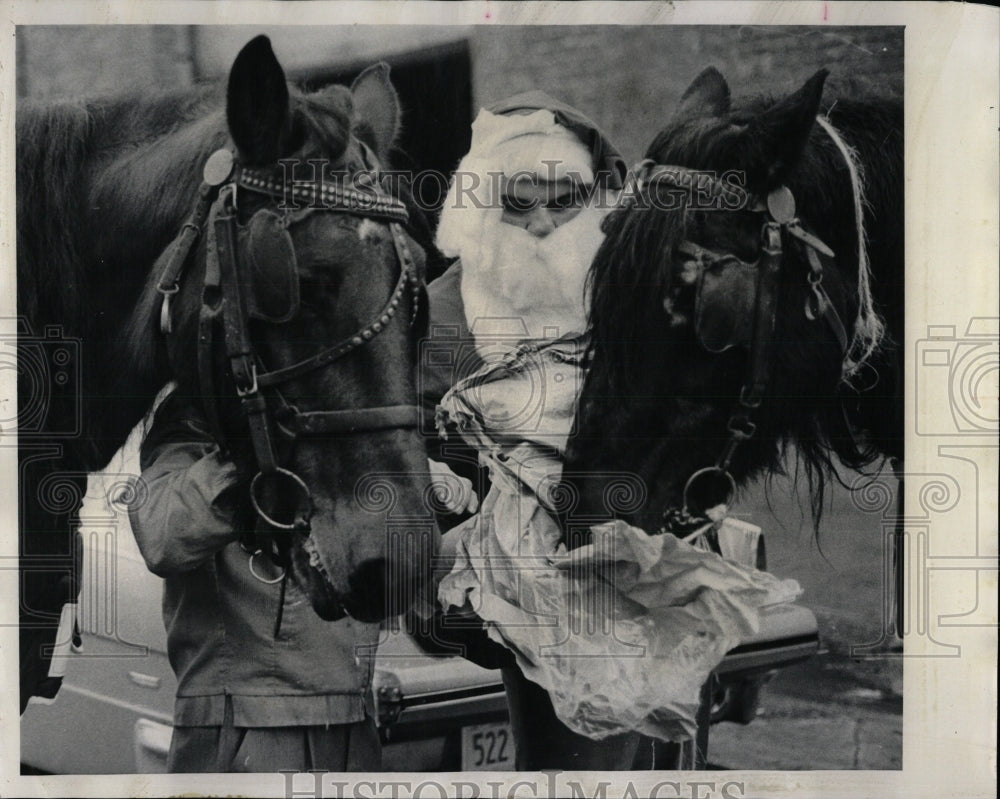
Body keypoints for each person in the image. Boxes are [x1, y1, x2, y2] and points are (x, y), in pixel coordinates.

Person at [128, 387, 474, 773]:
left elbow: (404, 591)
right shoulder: (203, 411)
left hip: (353, 720)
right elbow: (160, 533)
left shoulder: (344, 416)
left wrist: (412, 490)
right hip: (254, 724)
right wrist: (265, 452)